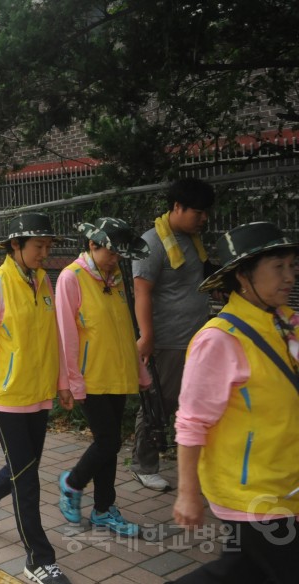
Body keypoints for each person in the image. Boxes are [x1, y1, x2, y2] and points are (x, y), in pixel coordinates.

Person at [172, 222, 299, 583]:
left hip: (285, 481)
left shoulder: (287, 323)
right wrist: (187, 493)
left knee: (244, 570)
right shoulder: (219, 340)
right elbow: (191, 421)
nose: (289, 276)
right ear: (244, 275)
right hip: (251, 490)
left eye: (292, 265)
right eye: (278, 267)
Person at [0, 212, 74, 584]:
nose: (44, 253)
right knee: (27, 478)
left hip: (38, 393)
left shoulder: (42, 281)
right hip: (6, 396)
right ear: (16, 247)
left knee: (26, 467)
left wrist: (63, 380)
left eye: (47, 247)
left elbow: (53, 335)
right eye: (39, 246)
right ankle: (39, 559)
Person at [55, 218, 152, 537]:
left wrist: (138, 369)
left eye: (120, 255)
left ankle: (103, 510)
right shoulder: (71, 278)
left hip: (117, 373)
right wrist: (70, 381)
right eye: (111, 253)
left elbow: (126, 327)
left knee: (110, 444)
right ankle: (72, 483)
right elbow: (65, 335)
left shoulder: (113, 277)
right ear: (92, 245)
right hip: (90, 376)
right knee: (108, 440)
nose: (116, 260)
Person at [132, 177, 215, 491]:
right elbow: (142, 293)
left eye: (206, 212)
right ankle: (143, 464)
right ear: (177, 207)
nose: (204, 218)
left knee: (195, 403)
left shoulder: (192, 240)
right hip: (168, 340)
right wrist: (147, 336)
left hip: (197, 338)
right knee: (158, 403)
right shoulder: (152, 243)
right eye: (198, 212)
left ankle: (194, 464)